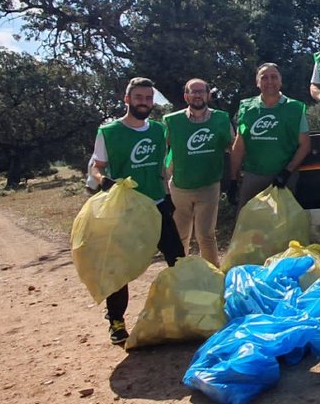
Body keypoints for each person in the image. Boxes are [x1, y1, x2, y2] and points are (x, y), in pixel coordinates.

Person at [89, 77, 185, 345]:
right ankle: (116, 321)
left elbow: (160, 167)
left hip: (156, 203)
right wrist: (102, 180)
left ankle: (186, 309)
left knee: (178, 259)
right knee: (119, 266)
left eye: (148, 98)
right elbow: (97, 166)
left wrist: (167, 195)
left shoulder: (158, 130)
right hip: (126, 208)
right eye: (139, 97)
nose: (144, 102)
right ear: (127, 99)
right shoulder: (108, 132)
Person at [163, 78, 232, 268]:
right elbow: (161, 151)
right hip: (179, 186)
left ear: (208, 95)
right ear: (186, 96)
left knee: (206, 235)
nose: (197, 95)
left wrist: (234, 177)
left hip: (209, 185)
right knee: (180, 235)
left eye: (201, 91)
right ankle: (179, 274)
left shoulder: (221, 119)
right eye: (193, 91)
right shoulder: (171, 121)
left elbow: (232, 147)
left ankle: (212, 275)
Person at [229, 63, 312, 208]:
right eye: (264, 78)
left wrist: (287, 171)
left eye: (274, 77)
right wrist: (233, 179)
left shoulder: (295, 108)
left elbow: (305, 145)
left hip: (284, 177)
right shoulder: (246, 108)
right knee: (246, 218)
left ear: (280, 81)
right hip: (253, 175)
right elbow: (239, 145)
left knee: (283, 219)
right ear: (257, 82)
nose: (269, 81)